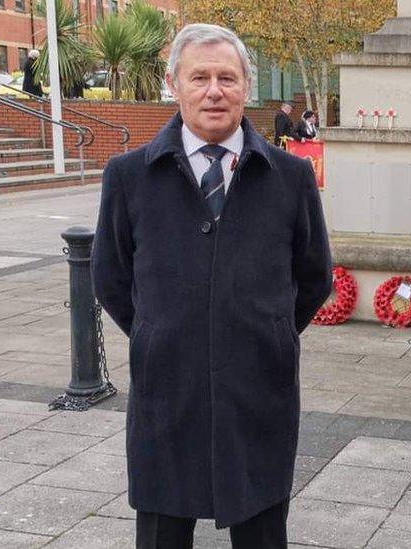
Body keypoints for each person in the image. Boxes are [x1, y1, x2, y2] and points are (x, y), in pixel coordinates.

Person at [91, 23, 332, 548]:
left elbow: (313, 276)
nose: (214, 90)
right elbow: (111, 278)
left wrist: (264, 329)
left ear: (247, 85)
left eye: (227, 77)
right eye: (199, 77)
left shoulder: (290, 178)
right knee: (162, 531)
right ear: (174, 85)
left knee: (262, 528)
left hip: (258, 391)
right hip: (166, 391)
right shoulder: (128, 176)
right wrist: (161, 330)